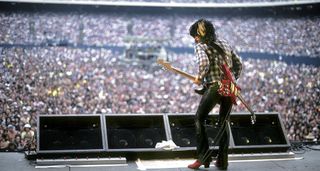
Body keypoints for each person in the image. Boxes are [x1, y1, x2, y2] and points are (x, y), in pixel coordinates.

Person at [187, 19, 242, 170]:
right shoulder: (224, 42)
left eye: (195, 36)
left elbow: (204, 64)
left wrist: (199, 77)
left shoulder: (200, 46)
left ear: (199, 34)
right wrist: (233, 79)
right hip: (229, 88)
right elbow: (239, 64)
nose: (195, 39)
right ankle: (223, 162)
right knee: (223, 122)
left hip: (215, 86)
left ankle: (202, 158)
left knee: (199, 118)